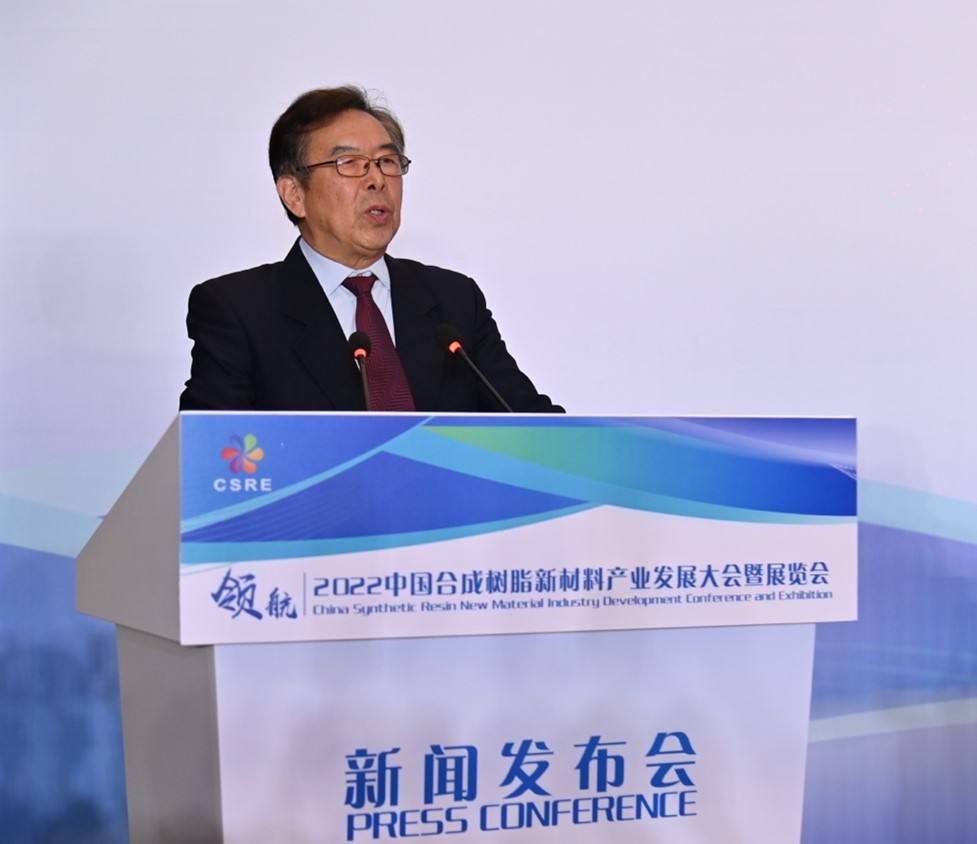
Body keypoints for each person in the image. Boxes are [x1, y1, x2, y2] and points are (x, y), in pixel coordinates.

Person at [179, 85, 562, 413]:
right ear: (294, 194)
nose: (377, 179)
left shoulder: (454, 301)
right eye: (349, 163)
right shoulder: (239, 311)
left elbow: (532, 426)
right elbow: (211, 452)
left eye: (387, 161)